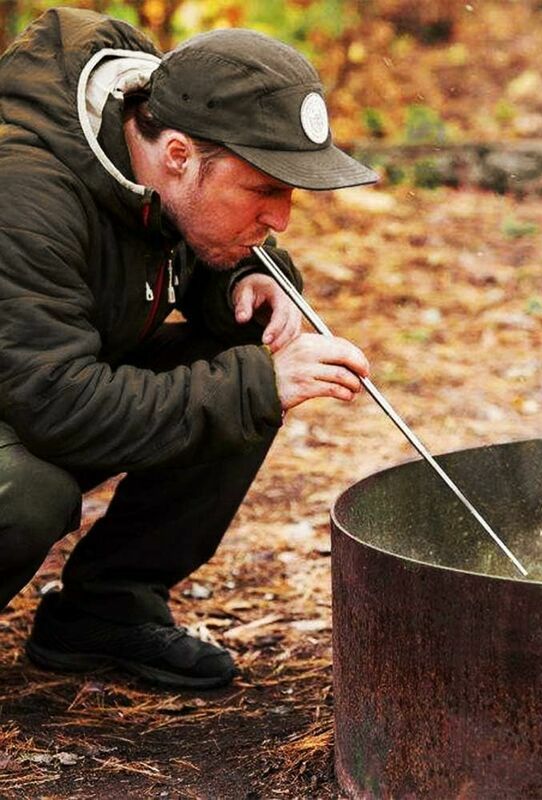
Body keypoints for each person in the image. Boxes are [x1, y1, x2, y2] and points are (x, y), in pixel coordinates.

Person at [0, 7, 378, 689]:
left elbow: (165, 246)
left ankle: (105, 613)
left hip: (29, 391)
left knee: (241, 360)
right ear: (176, 154)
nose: (282, 217)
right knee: (24, 494)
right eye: (264, 189)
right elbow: (53, 404)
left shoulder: (157, 146)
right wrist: (260, 386)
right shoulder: (24, 193)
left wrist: (246, 278)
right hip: (31, 403)